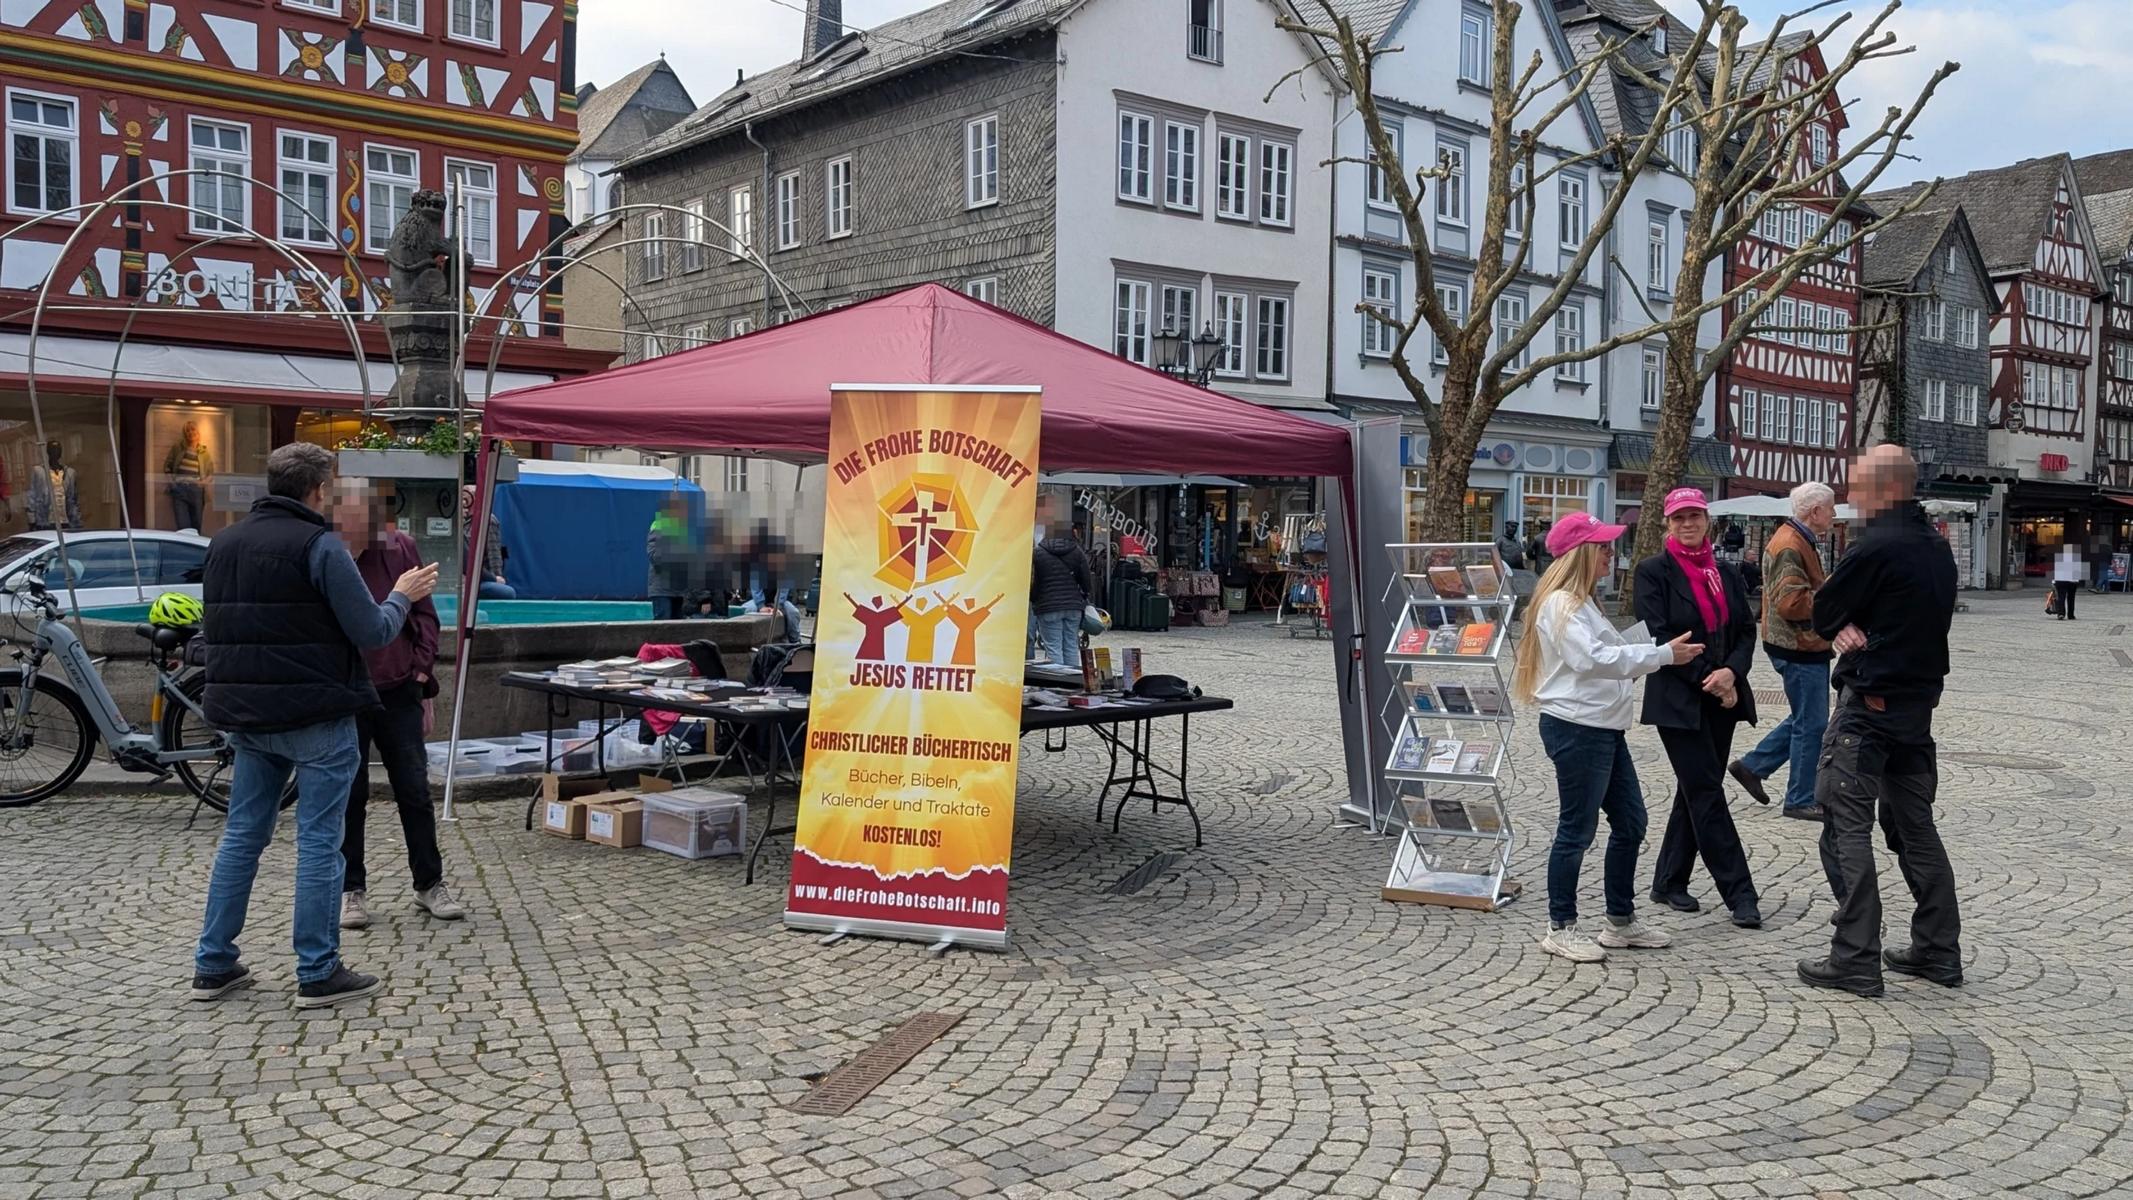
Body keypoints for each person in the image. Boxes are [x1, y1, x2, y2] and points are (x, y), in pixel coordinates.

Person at [191, 443, 439, 1010]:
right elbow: (373, 630)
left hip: (247, 714)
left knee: (242, 836)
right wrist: (401, 595)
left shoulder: (225, 542)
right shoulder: (320, 545)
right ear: (320, 489)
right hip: (315, 712)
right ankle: (317, 969)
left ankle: (213, 963)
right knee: (320, 841)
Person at [1797, 445, 1962, 998]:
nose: (1850, 497)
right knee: (1915, 828)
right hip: (1917, 713)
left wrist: (1840, 623)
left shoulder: (1877, 547)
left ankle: (1855, 955)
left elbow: (1823, 610)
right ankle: (1938, 949)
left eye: (1858, 487)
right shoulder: (1938, 547)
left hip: (1869, 710)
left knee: (1845, 825)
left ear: (1886, 489)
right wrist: (1847, 621)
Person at [1512, 511, 1702, 963]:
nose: (1610, 555)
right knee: (1576, 830)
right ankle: (1561, 925)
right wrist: (1660, 655)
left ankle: (1619, 921)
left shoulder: (1583, 602)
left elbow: (1606, 655)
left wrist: (1643, 658)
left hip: (1601, 728)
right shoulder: (1562, 603)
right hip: (1579, 729)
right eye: (1603, 548)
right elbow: (1592, 659)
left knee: (1632, 823)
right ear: (1581, 554)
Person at [331, 482, 464, 933]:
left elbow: (425, 615)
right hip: (346, 691)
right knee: (350, 795)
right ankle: (351, 889)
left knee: (414, 791)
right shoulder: (328, 552)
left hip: (398, 688)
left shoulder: (399, 546)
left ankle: (429, 882)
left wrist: (422, 672)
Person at [1636, 487, 1765, 929]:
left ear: (1707, 520)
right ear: (1667, 524)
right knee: (1707, 791)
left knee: (1694, 788)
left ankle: (1668, 880)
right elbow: (1659, 638)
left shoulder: (1726, 574)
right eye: (1679, 518)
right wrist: (1712, 679)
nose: (1688, 524)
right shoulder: (1652, 572)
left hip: (1723, 697)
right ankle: (1740, 893)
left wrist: (1731, 674)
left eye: (1695, 516)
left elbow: (1747, 631)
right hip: (1679, 700)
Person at [1731, 481, 1837, 823]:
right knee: (1812, 723)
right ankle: (1800, 798)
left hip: (1798, 643)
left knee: (1806, 717)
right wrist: (1834, 594)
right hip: (1798, 644)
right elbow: (1792, 603)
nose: (1834, 514)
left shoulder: (1796, 538)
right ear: (1815, 511)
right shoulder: (1791, 544)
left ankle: (1752, 766)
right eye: (1831, 508)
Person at [1031, 499, 1093, 669]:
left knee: (1053, 648)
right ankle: (1073, 682)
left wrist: (1035, 600)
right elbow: (1086, 580)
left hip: (1048, 605)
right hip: (1073, 606)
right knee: (1071, 645)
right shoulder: (1077, 551)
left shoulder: (1038, 554)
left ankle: (1059, 685)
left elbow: (1034, 581)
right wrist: (1085, 596)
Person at [460, 486, 514, 601]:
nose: (464, 502)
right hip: (465, 578)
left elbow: (494, 553)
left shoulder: (487, 521)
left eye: (466, 498)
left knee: (506, 592)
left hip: (481, 577)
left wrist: (496, 578)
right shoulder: (462, 521)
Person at [165, 421, 216, 532]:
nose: (190, 432)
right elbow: (167, 467)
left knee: (196, 524)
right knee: (183, 525)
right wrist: (172, 485)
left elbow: (211, 473)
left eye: (192, 429)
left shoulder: (204, 452)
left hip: (196, 490)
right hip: (179, 488)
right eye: (187, 430)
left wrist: (202, 484)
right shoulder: (178, 447)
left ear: (198, 432)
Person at [647, 494, 692, 620]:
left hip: (678, 589)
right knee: (663, 627)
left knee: (677, 630)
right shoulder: (658, 527)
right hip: (662, 589)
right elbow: (655, 558)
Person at [2051, 544, 2082, 620]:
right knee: (2071, 598)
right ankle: (2071, 615)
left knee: (2061, 597)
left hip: (2060, 580)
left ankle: (2061, 614)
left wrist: (2053, 581)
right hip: (2072, 581)